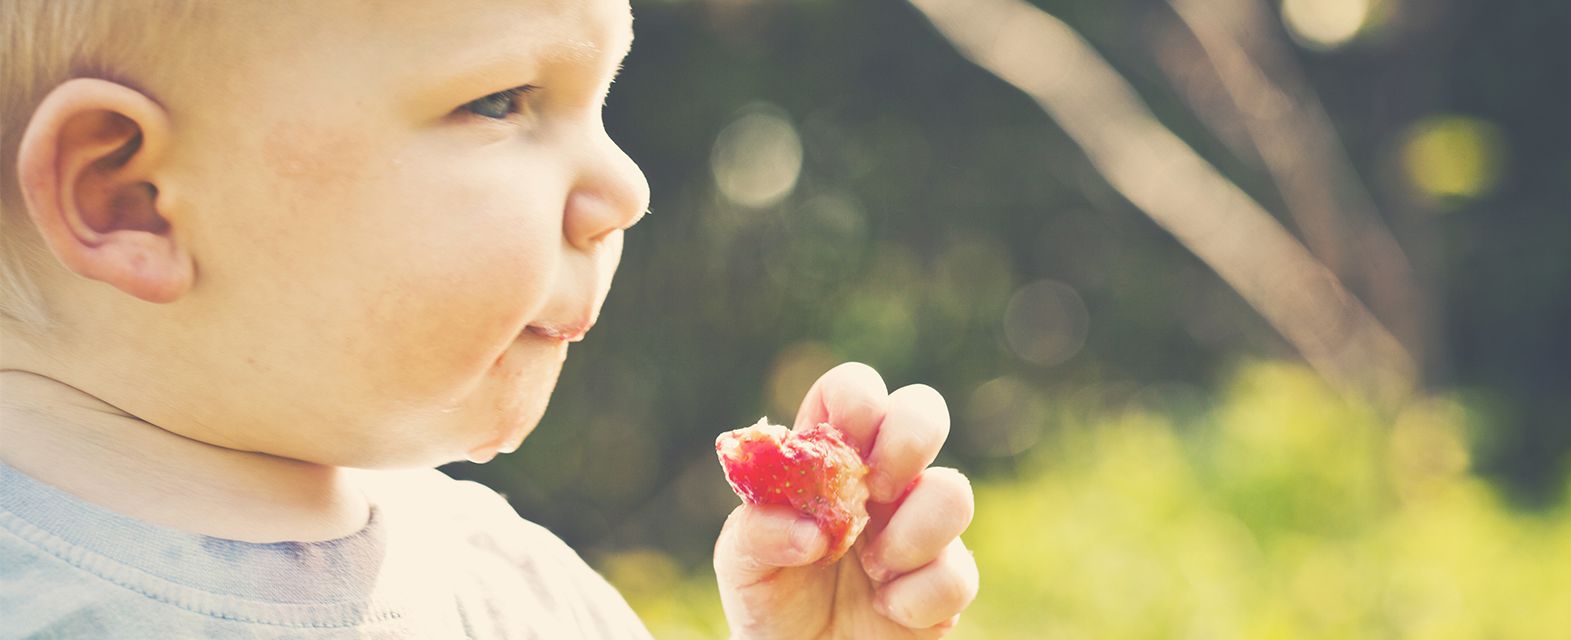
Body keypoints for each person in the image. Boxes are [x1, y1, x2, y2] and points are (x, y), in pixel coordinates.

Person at [0, 0, 979, 637]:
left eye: (601, 104)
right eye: (501, 101)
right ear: (131, 199)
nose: (627, 188)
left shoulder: (522, 597)